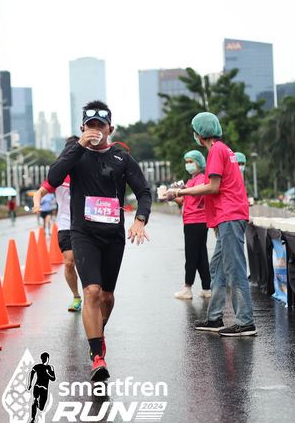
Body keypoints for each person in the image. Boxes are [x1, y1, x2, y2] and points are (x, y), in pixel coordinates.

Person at [47, 101, 152, 382]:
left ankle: (97, 332)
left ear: (110, 129)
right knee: (91, 292)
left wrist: (140, 219)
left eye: (100, 126)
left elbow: (143, 191)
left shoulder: (121, 158)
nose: (95, 130)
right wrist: (78, 146)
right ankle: (97, 357)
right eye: (90, 126)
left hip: (113, 236)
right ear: (82, 128)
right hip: (83, 234)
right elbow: (53, 178)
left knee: (106, 296)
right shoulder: (75, 154)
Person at [168, 112, 256, 337]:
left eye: (194, 131)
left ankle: (245, 322)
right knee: (217, 268)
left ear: (200, 133)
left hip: (230, 215)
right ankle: (215, 317)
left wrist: (180, 192)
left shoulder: (216, 150)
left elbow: (213, 187)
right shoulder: (223, 149)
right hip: (226, 216)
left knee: (234, 268)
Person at [34, 136, 82, 312]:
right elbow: (40, 192)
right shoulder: (59, 174)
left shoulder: (87, 171)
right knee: (69, 262)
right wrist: (37, 203)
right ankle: (76, 297)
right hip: (66, 223)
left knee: (87, 263)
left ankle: (92, 293)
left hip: (86, 224)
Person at [172, 150, 211, 300]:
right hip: (193, 220)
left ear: (199, 163)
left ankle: (187, 288)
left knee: (191, 255)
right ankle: (206, 288)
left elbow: (194, 193)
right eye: (186, 162)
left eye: (191, 162)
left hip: (196, 220)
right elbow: (184, 200)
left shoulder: (201, 179)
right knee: (201, 255)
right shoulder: (190, 181)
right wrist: (171, 195)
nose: (188, 165)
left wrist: (180, 191)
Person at [26, 352, 56, 423]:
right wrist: (47, 373)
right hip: (43, 389)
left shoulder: (38, 366)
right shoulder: (50, 367)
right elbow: (53, 378)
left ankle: (33, 417)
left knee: (37, 403)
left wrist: (29, 384)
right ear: (47, 359)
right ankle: (33, 415)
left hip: (36, 387)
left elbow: (31, 373)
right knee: (41, 407)